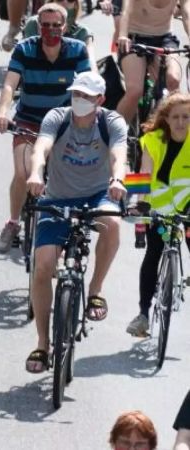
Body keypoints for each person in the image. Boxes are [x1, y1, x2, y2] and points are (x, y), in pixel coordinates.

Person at [23, 72, 128, 373]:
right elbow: (42, 147)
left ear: (100, 100)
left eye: (86, 96)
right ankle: (43, 344)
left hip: (97, 195)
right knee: (43, 267)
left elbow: (119, 154)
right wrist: (35, 173)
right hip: (57, 198)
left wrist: (118, 178)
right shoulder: (58, 117)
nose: (79, 100)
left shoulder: (111, 123)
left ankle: (95, 291)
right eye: (75, 94)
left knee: (113, 223)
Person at [0, 2, 92, 252]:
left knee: (70, 175)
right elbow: (9, 84)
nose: (50, 30)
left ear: (65, 27)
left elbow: (87, 88)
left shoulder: (77, 50)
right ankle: (13, 223)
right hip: (28, 121)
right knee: (24, 172)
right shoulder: (25, 48)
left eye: (56, 25)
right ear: (37, 26)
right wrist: (2, 112)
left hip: (63, 124)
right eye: (45, 25)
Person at [128, 94, 190, 336]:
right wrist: (140, 206)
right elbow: (143, 174)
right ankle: (143, 314)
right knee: (154, 252)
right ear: (165, 119)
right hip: (159, 209)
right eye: (175, 117)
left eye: (186, 117)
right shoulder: (152, 140)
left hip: (187, 205)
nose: (181, 122)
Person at [115, 0, 190, 124]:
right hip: (134, 38)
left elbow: (186, 13)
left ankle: (173, 133)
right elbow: (126, 10)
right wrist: (122, 35)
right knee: (135, 91)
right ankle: (114, 134)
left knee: (173, 81)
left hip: (164, 38)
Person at [21, 0, 98, 69]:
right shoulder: (34, 24)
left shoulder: (82, 32)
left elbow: (91, 63)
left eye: (70, 0)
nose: (64, 3)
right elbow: (25, 60)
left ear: (76, 5)